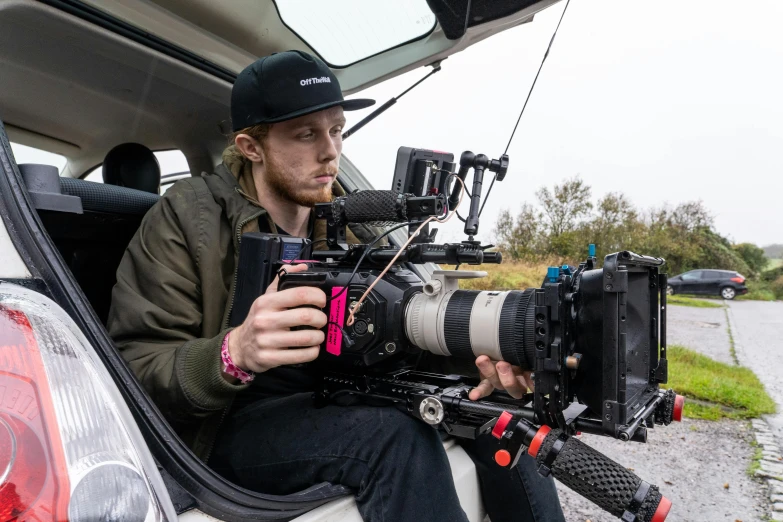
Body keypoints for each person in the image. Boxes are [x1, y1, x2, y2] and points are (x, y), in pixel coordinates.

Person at [108, 50, 565, 522]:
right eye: (306, 134)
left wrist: (485, 360)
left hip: (342, 394)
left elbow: (408, 318)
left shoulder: (353, 218)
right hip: (229, 422)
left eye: (336, 129)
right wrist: (234, 352)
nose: (330, 151)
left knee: (504, 423)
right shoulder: (187, 217)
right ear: (251, 147)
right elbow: (136, 367)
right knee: (393, 439)